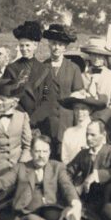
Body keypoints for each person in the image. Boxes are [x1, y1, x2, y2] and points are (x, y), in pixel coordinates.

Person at [0, 135, 83, 220]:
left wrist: (75, 203)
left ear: (49, 152)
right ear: (31, 152)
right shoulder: (20, 168)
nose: (41, 156)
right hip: (27, 214)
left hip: (50, 210)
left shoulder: (57, 167)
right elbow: (3, 182)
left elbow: (67, 186)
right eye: (37, 151)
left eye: (45, 151)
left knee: (68, 211)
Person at [65, 120, 111, 220]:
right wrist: (71, 185)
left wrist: (96, 175)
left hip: (106, 197)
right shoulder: (83, 153)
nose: (88, 138)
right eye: (87, 134)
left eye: (93, 135)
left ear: (103, 135)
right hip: (87, 196)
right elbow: (68, 171)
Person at [0, 80, 33, 211]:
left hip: (17, 165)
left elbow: (27, 145)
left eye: (2, 99)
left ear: (13, 101)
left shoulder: (22, 117)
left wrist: (22, 164)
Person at [39, 23, 84, 158]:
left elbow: (78, 96)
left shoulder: (73, 68)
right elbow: (41, 95)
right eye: (53, 43)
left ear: (65, 47)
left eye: (60, 44)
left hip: (67, 121)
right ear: (48, 44)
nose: (56, 47)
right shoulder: (41, 67)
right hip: (47, 122)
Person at [3, 20, 51, 128]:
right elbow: (6, 96)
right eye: (21, 45)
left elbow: (47, 98)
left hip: (39, 122)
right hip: (16, 121)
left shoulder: (45, 69)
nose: (24, 49)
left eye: (27, 45)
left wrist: (34, 119)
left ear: (35, 45)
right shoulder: (11, 68)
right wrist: (21, 117)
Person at [79, 37, 111, 121]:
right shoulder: (82, 76)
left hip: (105, 118)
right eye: (94, 54)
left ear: (105, 57)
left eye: (100, 55)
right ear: (90, 55)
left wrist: (104, 118)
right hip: (85, 118)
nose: (96, 58)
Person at [59, 91, 104, 166]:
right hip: (72, 171)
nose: (79, 112)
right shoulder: (68, 132)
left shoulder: (96, 130)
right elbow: (65, 158)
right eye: (76, 108)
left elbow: (102, 154)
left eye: (83, 108)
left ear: (90, 110)